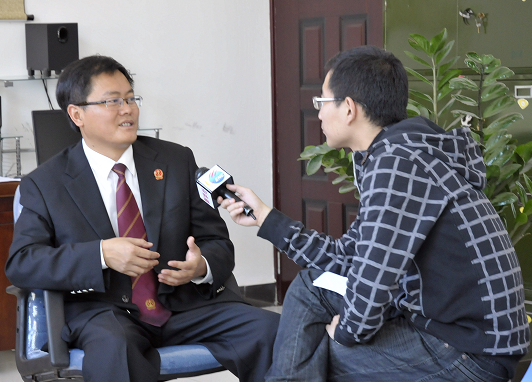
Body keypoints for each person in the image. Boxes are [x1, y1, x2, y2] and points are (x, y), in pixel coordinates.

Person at [219, 45, 530, 382]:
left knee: (316, 353)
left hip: (471, 353)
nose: (318, 114)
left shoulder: (397, 163)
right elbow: (349, 257)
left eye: (322, 102)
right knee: (310, 287)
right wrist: (266, 218)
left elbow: (371, 284)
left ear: (348, 108)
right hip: (454, 334)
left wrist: (344, 333)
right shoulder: (402, 153)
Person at [5, 55, 279, 382]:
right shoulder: (45, 183)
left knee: (274, 330)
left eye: (131, 98)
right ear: (77, 114)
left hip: (184, 306)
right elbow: (23, 263)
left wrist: (201, 266)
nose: (128, 109)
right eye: (112, 101)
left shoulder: (176, 160)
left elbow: (217, 242)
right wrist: (101, 254)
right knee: (115, 347)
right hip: (103, 312)